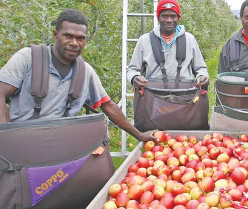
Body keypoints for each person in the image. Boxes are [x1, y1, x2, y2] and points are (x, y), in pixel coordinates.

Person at [0, 9, 157, 143]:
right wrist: (6, 140)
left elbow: (108, 106)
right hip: (23, 140)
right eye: (68, 36)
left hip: (60, 144)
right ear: (55, 35)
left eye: (80, 38)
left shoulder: (85, 71)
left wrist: (139, 135)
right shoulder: (28, 58)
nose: (74, 43)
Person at [127, 0, 209, 89]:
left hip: (184, 95)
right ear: (158, 18)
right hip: (153, 95)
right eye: (164, 16)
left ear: (178, 18)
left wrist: (202, 76)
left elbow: (201, 68)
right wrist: (134, 78)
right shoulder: (144, 40)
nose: (169, 20)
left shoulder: (189, 39)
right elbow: (132, 69)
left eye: (173, 16)